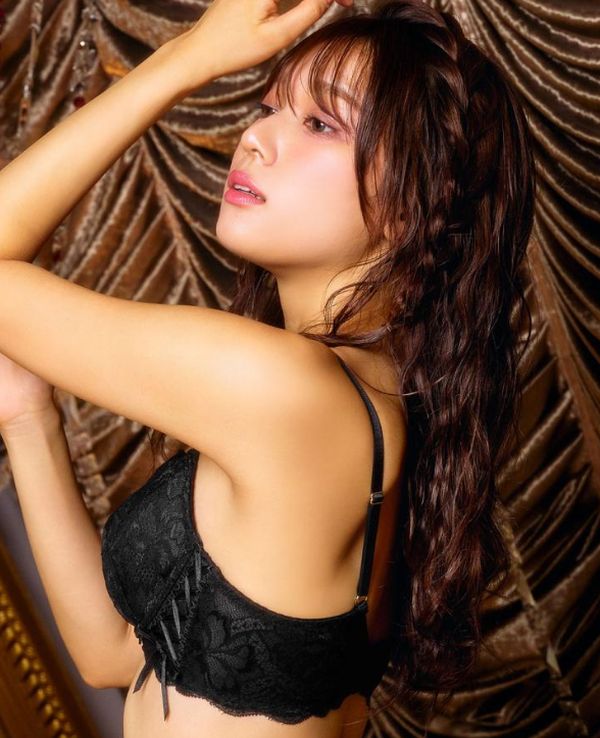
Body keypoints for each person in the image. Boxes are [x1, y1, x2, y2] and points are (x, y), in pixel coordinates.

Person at [0, 0, 535, 735]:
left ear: (416, 200)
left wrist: (188, 58)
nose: (254, 138)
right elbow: (115, 658)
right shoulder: (353, 399)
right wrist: (27, 417)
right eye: (267, 107)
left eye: (321, 123)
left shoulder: (288, 391)